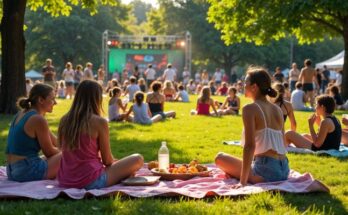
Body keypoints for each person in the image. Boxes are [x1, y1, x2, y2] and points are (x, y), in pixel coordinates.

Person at [57, 80, 143, 189]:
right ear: (97, 98)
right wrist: (119, 166)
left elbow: (62, 149)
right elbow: (107, 161)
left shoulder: (64, 120)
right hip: (91, 181)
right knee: (137, 159)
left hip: (65, 180)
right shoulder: (99, 122)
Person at [215, 67, 289, 187]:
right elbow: (282, 142)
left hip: (266, 171)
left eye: (245, 83)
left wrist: (242, 182)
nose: (243, 86)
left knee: (219, 158)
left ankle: (249, 176)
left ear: (254, 87)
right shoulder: (277, 109)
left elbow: (249, 146)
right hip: (284, 170)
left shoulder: (250, 109)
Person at [6, 84, 61, 182]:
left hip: (11, 170)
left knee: (68, 153)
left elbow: (55, 141)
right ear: (41, 100)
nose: (55, 102)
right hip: (25, 171)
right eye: (52, 99)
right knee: (71, 156)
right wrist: (68, 152)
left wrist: (68, 147)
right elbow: (49, 152)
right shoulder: (38, 119)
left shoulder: (23, 113)